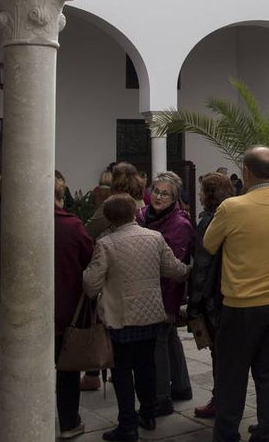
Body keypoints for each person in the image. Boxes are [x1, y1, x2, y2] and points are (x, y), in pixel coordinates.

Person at [202, 146, 269, 442]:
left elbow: (209, 244)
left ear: (246, 172)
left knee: (231, 377)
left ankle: (227, 435)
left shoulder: (232, 207)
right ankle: (268, 434)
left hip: (241, 305)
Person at [83, 193, 188, 442]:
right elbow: (174, 269)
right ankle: (148, 415)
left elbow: (90, 284)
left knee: (121, 372)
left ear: (109, 218)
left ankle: (127, 424)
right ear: (133, 213)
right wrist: (192, 272)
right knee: (146, 367)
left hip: (121, 317)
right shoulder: (155, 237)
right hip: (150, 316)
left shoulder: (106, 244)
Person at [137, 171, 194, 418]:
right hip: (146, 288)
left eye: (165, 193)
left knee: (159, 342)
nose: (159, 197)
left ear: (175, 198)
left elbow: (173, 267)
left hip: (165, 291)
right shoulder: (142, 216)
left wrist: (170, 306)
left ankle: (161, 399)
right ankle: (181, 387)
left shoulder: (180, 225)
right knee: (169, 339)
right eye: (156, 191)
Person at [187, 171, 236, 420]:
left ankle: (222, 402)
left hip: (213, 297)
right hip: (228, 293)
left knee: (220, 354)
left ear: (208, 195)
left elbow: (202, 265)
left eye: (201, 191)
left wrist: (194, 304)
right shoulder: (233, 215)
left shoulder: (209, 221)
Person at [54, 177, 94, 440]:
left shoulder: (18, 219)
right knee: (67, 370)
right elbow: (89, 260)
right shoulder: (71, 226)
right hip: (66, 311)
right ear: (61, 197)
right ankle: (68, 423)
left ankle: (25, 420)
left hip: (25, 314)